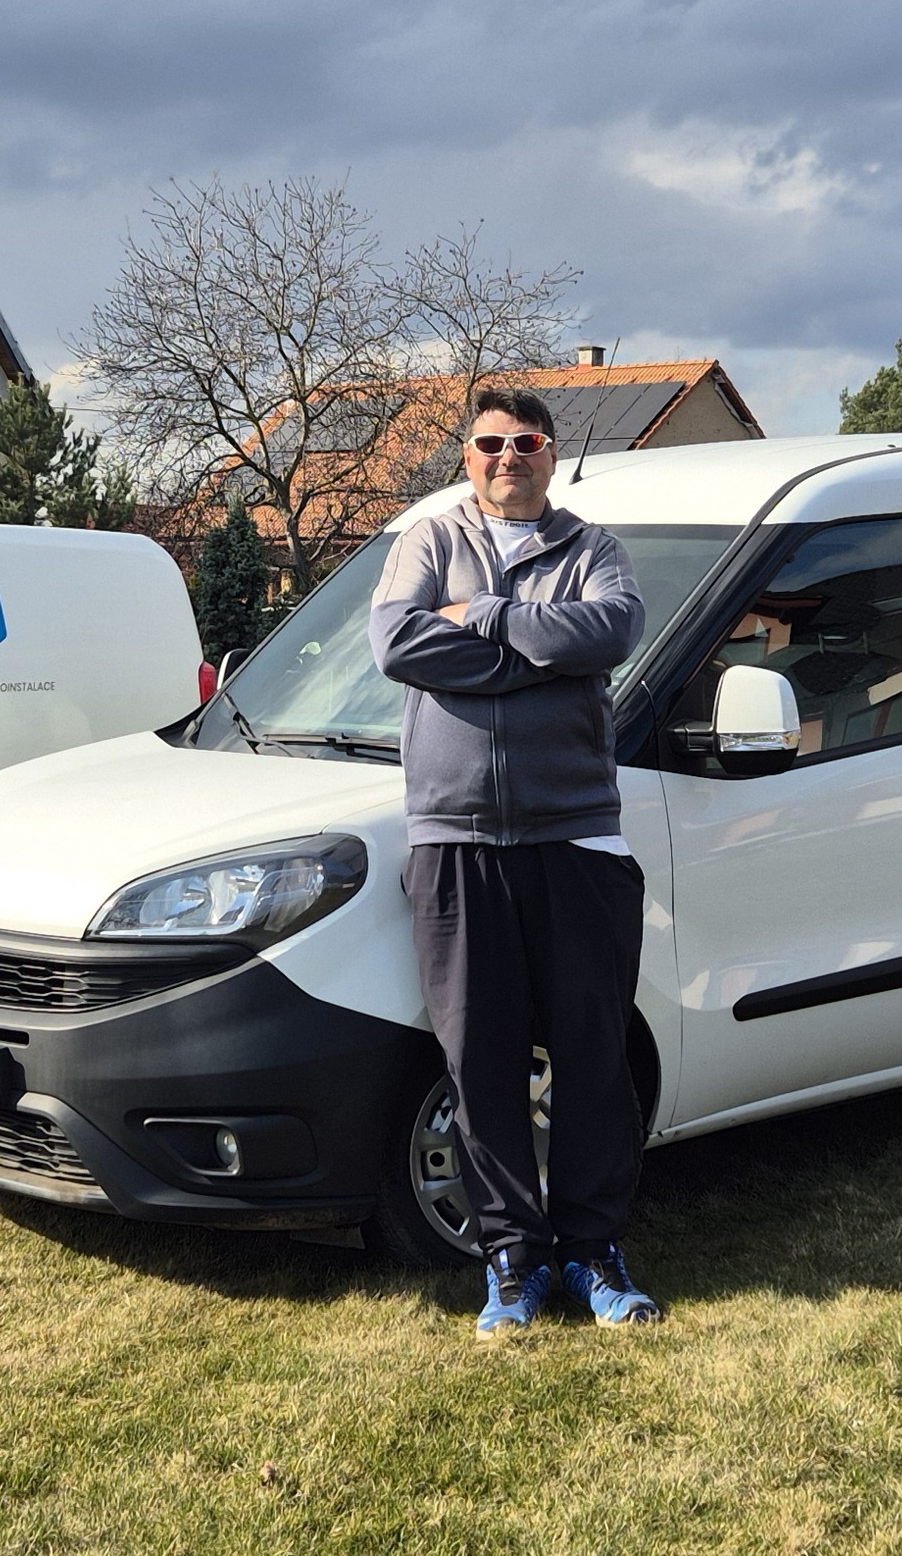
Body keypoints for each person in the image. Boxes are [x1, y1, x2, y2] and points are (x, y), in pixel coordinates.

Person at [370, 388, 661, 1336]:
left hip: (574, 833)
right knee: (479, 1060)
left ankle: (591, 1250)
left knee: (592, 1053)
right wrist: (540, 652)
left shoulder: (593, 551)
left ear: (551, 452)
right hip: (454, 839)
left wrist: (485, 617)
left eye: (524, 442)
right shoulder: (424, 538)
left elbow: (610, 632)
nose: (508, 457)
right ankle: (512, 1258)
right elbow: (396, 642)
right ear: (468, 456)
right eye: (490, 443)